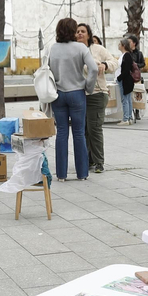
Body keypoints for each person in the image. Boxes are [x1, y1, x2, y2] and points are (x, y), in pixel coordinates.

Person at [47, 18, 97, 181]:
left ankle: (61, 174)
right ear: (73, 31)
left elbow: (47, 70)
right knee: (79, 133)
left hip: (58, 94)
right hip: (77, 93)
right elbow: (94, 68)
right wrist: (88, 86)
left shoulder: (53, 48)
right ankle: (82, 173)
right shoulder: (80, 47)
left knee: (61, 132)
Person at [78, 22, 115, 174]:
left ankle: (99, 161)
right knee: (84, 129)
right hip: (80, 95)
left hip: (97, 94)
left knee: (94, 129)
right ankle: (88, 159)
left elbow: (114, 62)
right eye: (77, 31)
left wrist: (105, 65)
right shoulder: (73, 50)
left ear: (88, 34)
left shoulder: (97, 49)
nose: (79, 34)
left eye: (83, 31)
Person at [116, 37, 138, 124]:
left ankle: (126, 118)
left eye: (119, 44)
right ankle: (128, 117)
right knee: (127, 99)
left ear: (123, 45)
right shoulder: (124, 55)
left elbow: (126, 69)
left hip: (125, 80)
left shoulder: (127, 55)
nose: (118, 46)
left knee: (125, 99)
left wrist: (119, 78)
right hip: (124, 79)